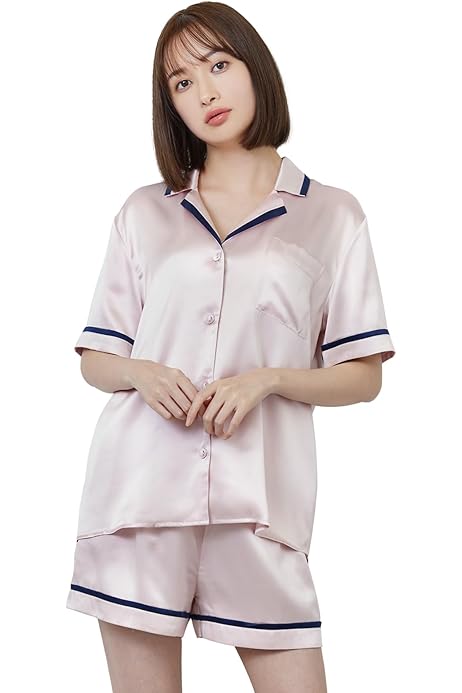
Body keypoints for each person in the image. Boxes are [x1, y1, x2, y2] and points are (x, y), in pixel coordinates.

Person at [65, 2, 396, 692]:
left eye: (218, 65)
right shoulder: (144, 211)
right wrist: (142, 372)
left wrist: (269, 379)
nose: (205, 92)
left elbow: (363, 374)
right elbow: (97, 357)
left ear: (255, 69)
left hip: (260, 507)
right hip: (138, 501)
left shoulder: (332, 214)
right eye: (182, 82)